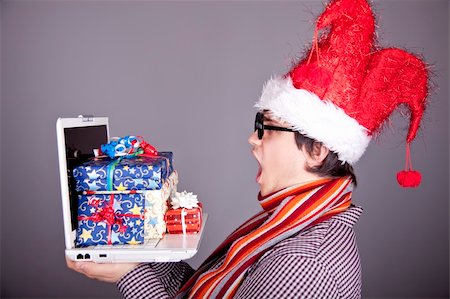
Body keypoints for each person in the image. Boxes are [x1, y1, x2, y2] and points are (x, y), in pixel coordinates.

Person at [67, 0, 429, 297]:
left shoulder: (302, 262)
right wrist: (142, 251)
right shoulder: (294, 222)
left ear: (316, 149)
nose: (253, 139)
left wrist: (130, 279)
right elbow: (202, 290)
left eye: (265, 128)